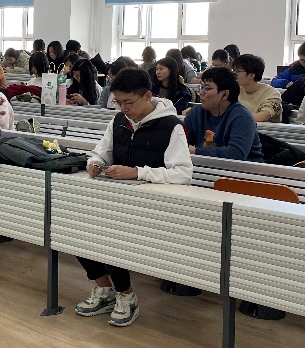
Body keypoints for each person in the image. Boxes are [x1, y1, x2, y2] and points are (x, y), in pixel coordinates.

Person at [75, 68, 193, 327]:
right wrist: (95, 163)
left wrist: (138, 172)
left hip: (154, 207)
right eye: (118, 102)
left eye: (128, 102)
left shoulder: (171, 126)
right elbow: (101, 152)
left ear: (147, 96)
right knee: (74, 229)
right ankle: (104, 289)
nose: (123, 108)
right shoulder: (119, 120)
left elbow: (183, 174)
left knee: (109, 234)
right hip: (117, 201)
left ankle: (126, 295)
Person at [184, 67, 264, 162]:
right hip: (205, 167)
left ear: (225, 94)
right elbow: (181, 142)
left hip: (244, 169)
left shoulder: (242, 117)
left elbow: (236, 153)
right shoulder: (196, 112)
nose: (201, 92)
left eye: (207, 88)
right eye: (202, 87)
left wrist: (195, 151)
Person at [232, 54, 283, 123]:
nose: (234, 74)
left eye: (238, 71)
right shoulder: (235, 91)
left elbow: (263, 116)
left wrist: (234, 118)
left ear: (251, 75)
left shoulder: (272, 94)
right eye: (233, 71)